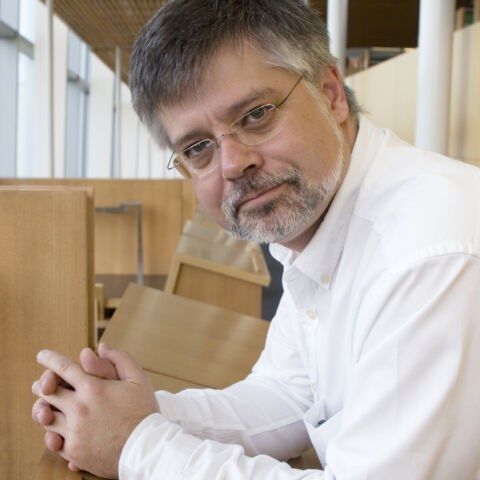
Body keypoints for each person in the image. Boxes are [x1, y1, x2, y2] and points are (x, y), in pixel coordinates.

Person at [31, 1, 480, 479]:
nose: (231, 164)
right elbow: (288, 394)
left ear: (331, 93)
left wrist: (137, 447)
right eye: (198, 147)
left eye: (256, 115)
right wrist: (137, 414)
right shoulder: (324, 221)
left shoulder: (428, 252)